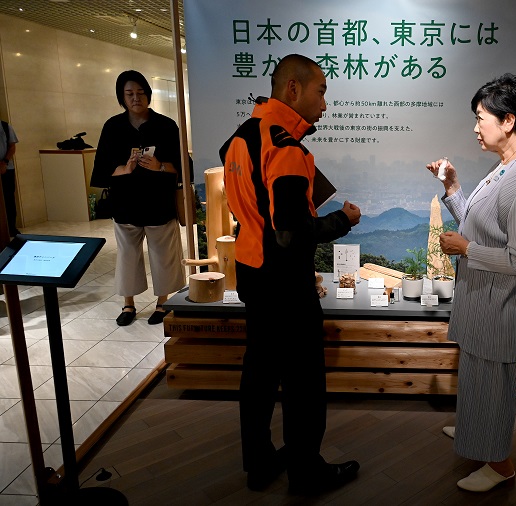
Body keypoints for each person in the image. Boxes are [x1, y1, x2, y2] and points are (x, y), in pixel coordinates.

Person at [219, 54, 362, 495]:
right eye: (321, 91)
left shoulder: (241, 136)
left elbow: (250, 208)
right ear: (293, 90)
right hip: (283, 279)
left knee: (259, 370)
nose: (325, 103)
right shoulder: (285, 149)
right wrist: (344, 220)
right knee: (303, 380)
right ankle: (307, 473)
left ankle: (259, 462)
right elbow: (290, 235)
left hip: (252, 271)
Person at [427, 73, 516, 492]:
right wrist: (453, 187)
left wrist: (466, 250)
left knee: (494, 388)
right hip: (487, 300)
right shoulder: (509, 164)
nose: (475, 126)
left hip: (504, 304)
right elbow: (481, 224)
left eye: (481, 117)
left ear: (509, 121)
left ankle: (500, 466)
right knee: (479, 380)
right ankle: (474, 435)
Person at [90, 70, 188, 326]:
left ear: (149, 94)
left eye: (141, 93)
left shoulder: (166, 125)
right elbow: (102, 168)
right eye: (129, 94)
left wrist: (160, 167)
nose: (136, 98)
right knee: (127, 255)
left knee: (163, 254)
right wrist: (124, 169)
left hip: (159, 202)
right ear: (121, 97)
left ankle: (163, 303)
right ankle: (128, 304)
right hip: (125, 202)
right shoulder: (113, 126)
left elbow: (183, 165)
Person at [0, 119, 20, 236]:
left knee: (9, 199)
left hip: (6, 168)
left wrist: (4, 162)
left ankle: (11, 227)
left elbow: (12, 146)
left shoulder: (6, 127)